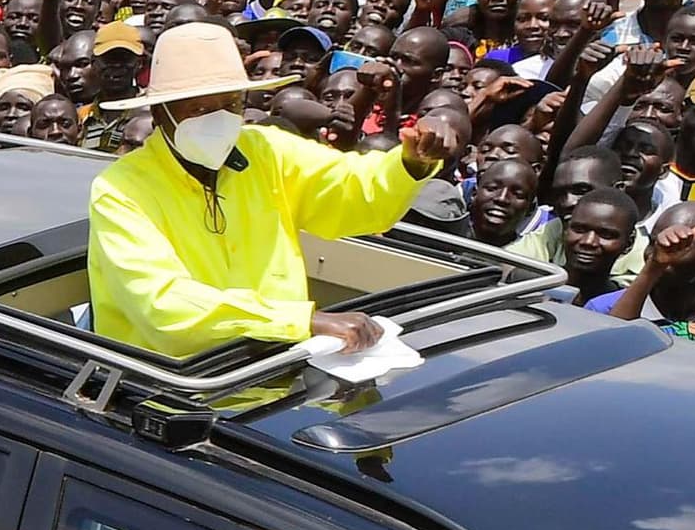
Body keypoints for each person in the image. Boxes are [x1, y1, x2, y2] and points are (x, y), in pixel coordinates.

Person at [84, 19, 463, 361]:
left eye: (230, 104)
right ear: (161, 112)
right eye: (199, 109)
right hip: (167, 386)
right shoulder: (120, 190)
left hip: (277, 364)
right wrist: (302, 321)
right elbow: (163, 304)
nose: (218, 119)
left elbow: (353, 190)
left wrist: (410, 163)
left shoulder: (264, 149)